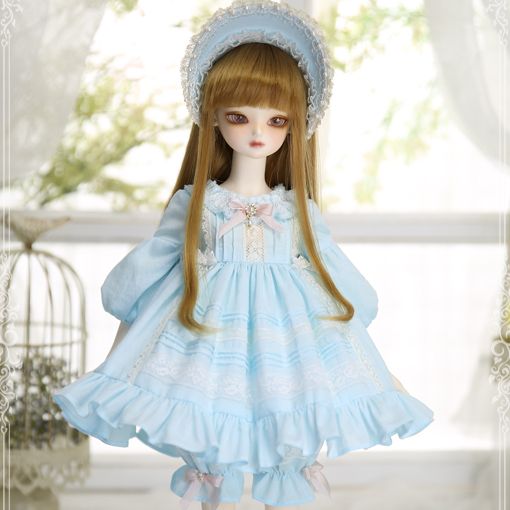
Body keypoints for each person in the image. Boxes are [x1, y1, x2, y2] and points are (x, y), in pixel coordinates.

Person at [53, 1, 434, 509]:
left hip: (286, 340)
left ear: (294, 127)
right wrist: (116, 360)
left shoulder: (296, 211)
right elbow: (147, 276)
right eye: (239, 116)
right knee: (213, 430)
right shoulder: (198, 204)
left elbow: (337, 282)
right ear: (212, 116)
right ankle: (217, 489)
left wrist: (380, 372)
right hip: (210, 338)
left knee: (287, 429)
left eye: (276, 121)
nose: (258, 133)